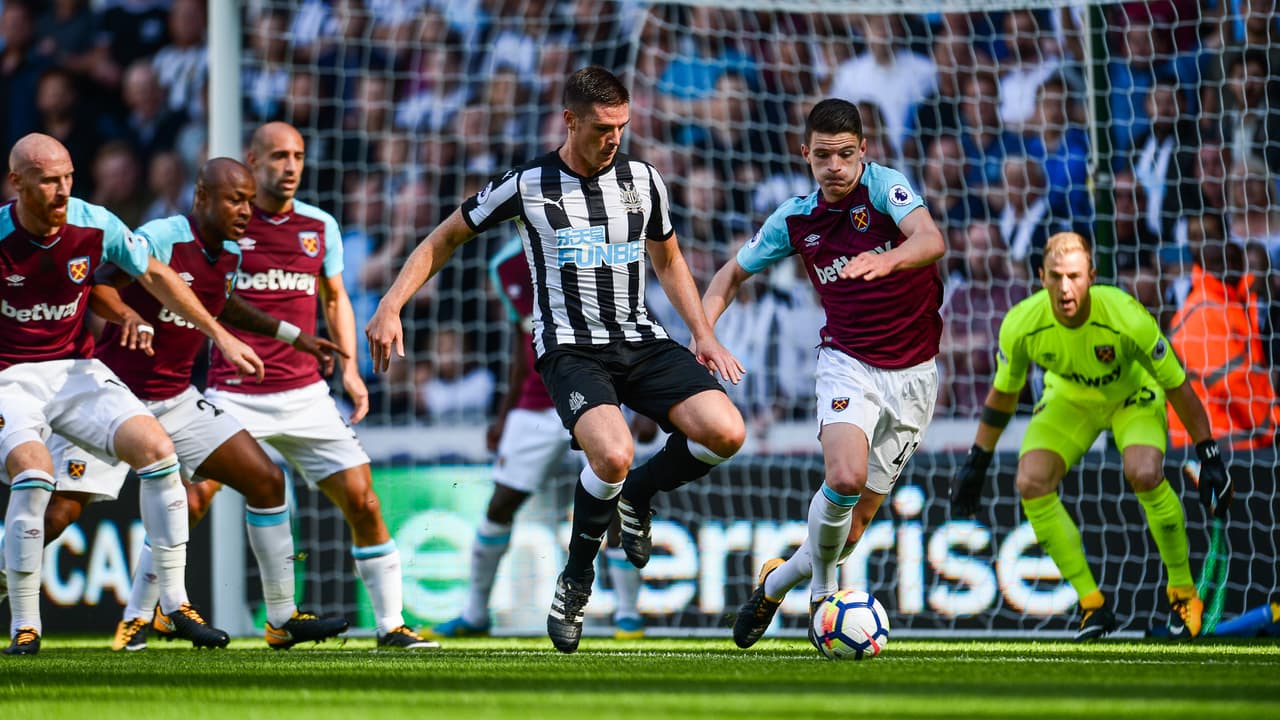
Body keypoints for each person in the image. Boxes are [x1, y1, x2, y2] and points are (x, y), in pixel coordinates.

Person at [367, 66, 746, 654]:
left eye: (622, 125)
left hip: (641, 338)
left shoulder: (644, 180)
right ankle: (575, 580)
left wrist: (703, 333)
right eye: (602, 127)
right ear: (570, 120)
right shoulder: (526, 184)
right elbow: (444, 237)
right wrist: (392, 303)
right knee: (612, 452)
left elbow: (668, 261)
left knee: (727, 432)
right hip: (570, 349)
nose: (614, 138)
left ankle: (639, 497)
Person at [16, 157, 349, 652]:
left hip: (175, 399)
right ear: (202, 198)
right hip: (114, 401)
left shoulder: (232, 252)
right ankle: (14, 580)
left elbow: (221, 303)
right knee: (59, 515)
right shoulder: (162, 237)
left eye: (249, 201)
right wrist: (129, 315)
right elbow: (101, 283)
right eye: (235, 199)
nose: (245, 210)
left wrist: (294, 336)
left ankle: (280, 618)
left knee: (265, 480)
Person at [0, 133, 263, 655]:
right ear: (18, 183)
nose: (62, 191)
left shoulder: (94, 222)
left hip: (75, 369)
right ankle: (25, 627)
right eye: (49, 180)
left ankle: (176, 602)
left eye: (68, 177)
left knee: (158, 452)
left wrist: (220, 335)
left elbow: (157, 274)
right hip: (9, 376)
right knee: (34, 475)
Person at [700, 98, 945, 650]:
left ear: (864, 150)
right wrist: (705, 331)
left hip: (914, 375)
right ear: (805, 154)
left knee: (852, 531)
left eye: (845, 155)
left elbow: (932, 241)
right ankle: (822, 594)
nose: (835, 167)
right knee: (843, 478)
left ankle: (776, 583)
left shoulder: (885, 187)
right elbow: (730, 275)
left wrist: (887, 259)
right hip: (847, 363)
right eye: (823, 157)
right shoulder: (795, 218)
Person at [197, 122, 437, 650]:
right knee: (191, 498)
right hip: (234, 392)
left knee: (364, 502)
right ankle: (143, 613)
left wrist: (350, 369)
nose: (290, 167)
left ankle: (391, 626)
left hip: (305, 394)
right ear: (253, 161)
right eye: (279, 156)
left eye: (298, 156)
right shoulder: (225, 229)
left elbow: (335, 300)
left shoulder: (319, 226)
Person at [949, 231, 1234, 641]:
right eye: (1057, 276)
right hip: (1069, 399)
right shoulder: (1021, 325)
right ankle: (1092, 605)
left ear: (1092, 276)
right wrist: (978, 460)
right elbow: (1003, 395)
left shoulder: (1125, 315)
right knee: (1030, 481)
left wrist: (1209, 454)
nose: (1066, 288)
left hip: (1132, 395)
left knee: (1143, 472)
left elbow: (1177, 384)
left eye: (1076, 276)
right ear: (1040, 277)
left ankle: (1183, 594)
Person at [429, 237, 645, 640]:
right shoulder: (504, 265)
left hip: (597, 397)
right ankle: (475, 614)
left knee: (613, 503)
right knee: (501, 503)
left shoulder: (593, 246)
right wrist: (505, 411)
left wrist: (640, 401)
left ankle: (628, 614)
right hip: (535, 401)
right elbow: (521, 340)